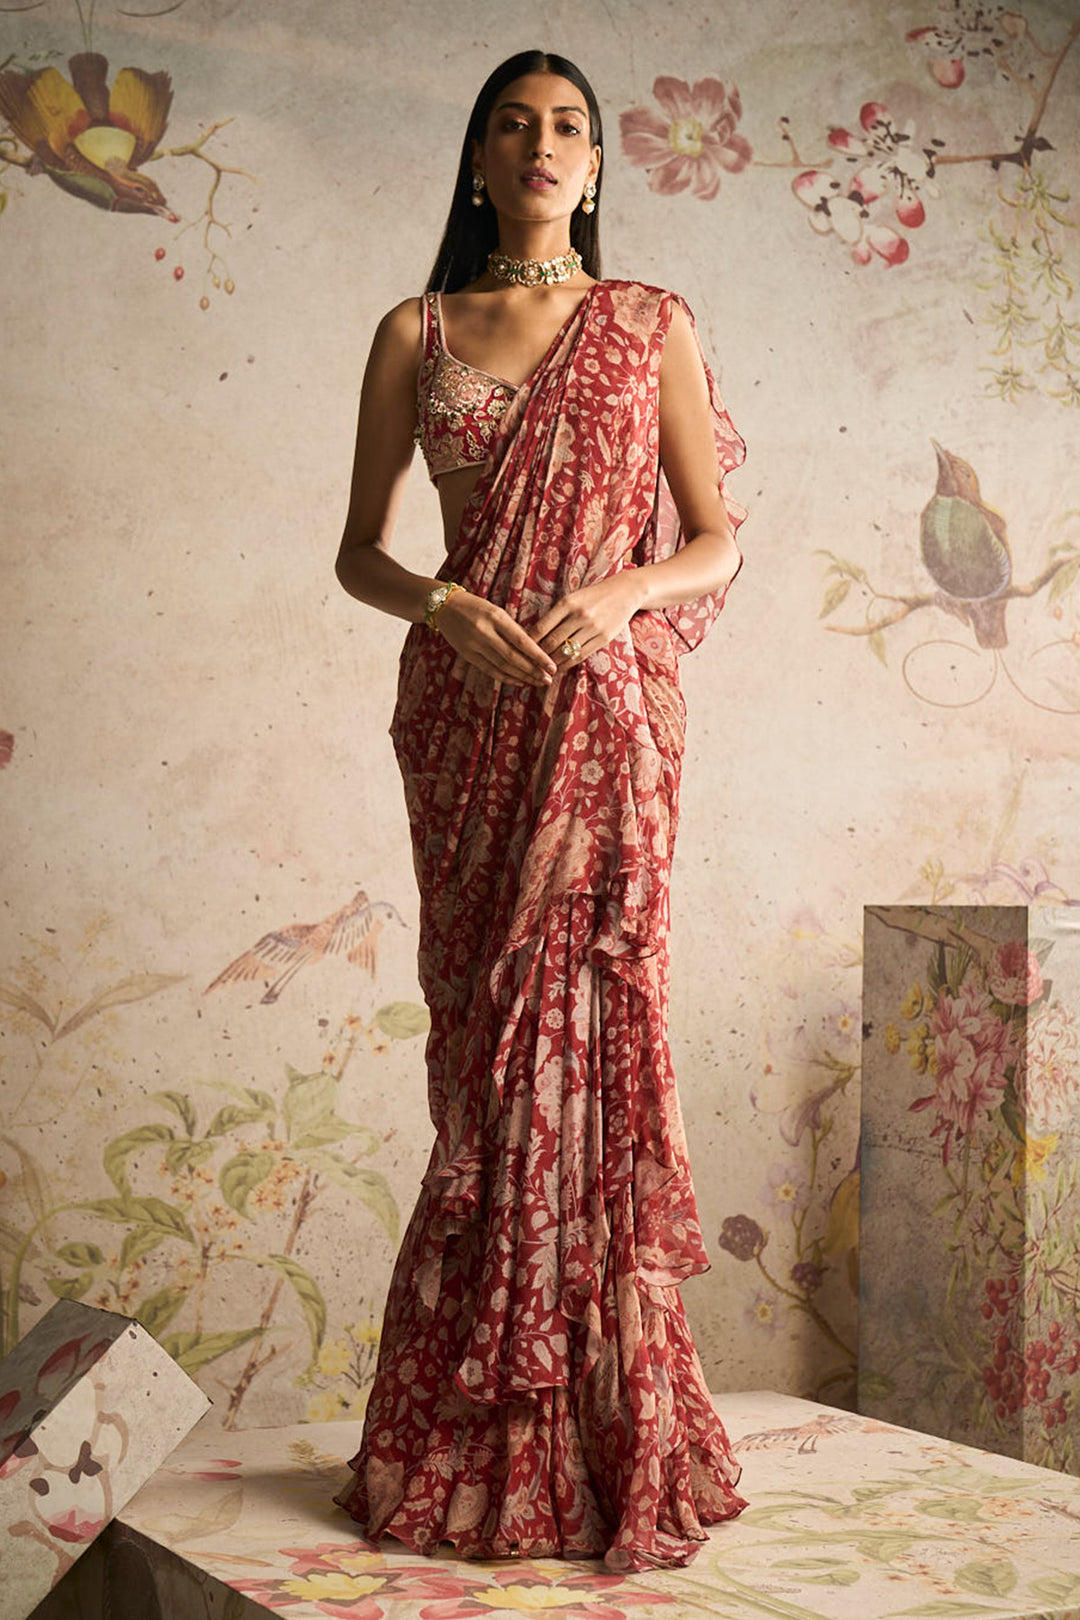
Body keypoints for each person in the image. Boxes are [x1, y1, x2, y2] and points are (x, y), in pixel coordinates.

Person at [333, 48, 748, 1572]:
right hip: (470, 724)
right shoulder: (418, 330)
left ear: (595, 162)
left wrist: (623, 592)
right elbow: (359, 550)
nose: (542, 144)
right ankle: (471, 1436)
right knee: (487, 1059)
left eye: (568, 125)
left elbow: (715, 539)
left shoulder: (648, 326)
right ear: (479, 156)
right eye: (514, 124)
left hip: (608, 720)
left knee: (588, 1038)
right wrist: (446, 608)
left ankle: (600, 1433)